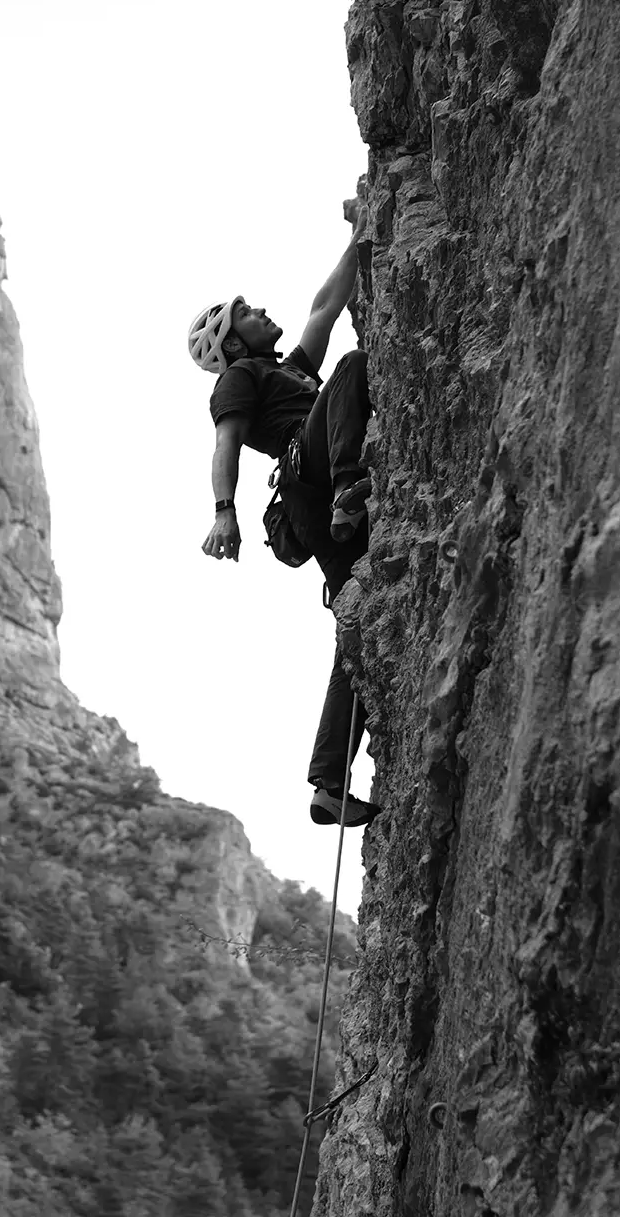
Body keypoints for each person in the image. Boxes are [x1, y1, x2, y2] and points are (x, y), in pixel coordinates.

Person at [187, 217, 380, 828]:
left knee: (360, 623)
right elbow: (225, 442)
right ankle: (352, 486)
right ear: (233, 346)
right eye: (245, 311)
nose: (259, 309)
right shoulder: (242, 377)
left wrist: (362, 235)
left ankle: (328, 781)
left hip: (312, 492)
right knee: (352, 367)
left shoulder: (289, 369)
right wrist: (224, 511)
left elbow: (325, 306)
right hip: (310, 476)